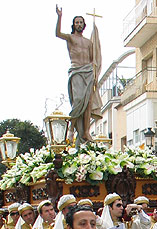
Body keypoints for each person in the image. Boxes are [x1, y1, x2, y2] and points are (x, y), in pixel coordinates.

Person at [55, 5, 102, 145]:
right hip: (76, 70)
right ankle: (71, 129)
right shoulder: (70, 38)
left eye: (81, 22)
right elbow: (57, 33)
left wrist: (94, 76)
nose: (79, 24)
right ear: (74, 25)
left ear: (84, 25)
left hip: (88, 72)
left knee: (87, 103)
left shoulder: (89, 42)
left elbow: (94, 59)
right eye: (77, 22)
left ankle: (86, 131)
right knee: (78, 100)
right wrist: (59, 17)